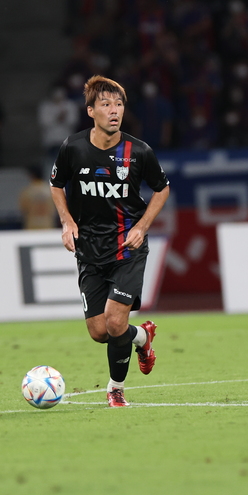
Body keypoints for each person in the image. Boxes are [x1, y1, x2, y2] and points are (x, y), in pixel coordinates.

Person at [49, 75, 170, 407]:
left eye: (119, 104)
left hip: (127, 247)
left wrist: (142, 226)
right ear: (91, 111)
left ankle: (116, 388)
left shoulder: (138, 151)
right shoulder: (73, 148)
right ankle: (142, 337)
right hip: (89, 249)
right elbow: (56, 184)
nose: (114, 110)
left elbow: (162, 189)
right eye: (106, 104)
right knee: (99, 332)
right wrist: (67, 221)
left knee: (116, 322)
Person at [18, 163, 56, 229]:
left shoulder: (27, 192)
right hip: (47, 226)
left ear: (32, 175)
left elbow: (23, 210)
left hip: (32, 226)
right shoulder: (50, 191)